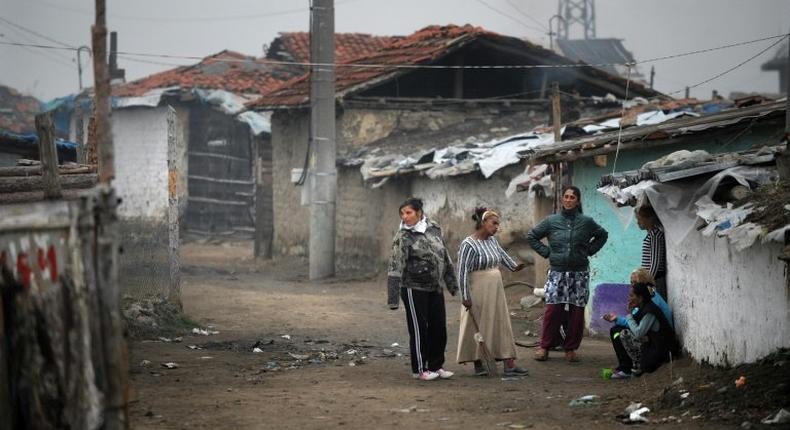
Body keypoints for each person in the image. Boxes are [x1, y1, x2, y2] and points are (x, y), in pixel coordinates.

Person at [526, 185, 608, 362]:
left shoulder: (586, 222)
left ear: (578, 201)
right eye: (566, 196)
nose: (569, 200)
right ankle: (545, 346)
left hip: (579, 273)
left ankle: (570, 348)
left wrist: (588, 251)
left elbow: (602, 235)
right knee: (553, 310)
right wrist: (547, 253)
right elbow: (532, 236)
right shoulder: (551, 221)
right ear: (562, 199)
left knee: (576, 312)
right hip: (557, 272)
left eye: (572, 197)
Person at [387, 197, 458, 381]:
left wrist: (452, 284)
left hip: (435, 287)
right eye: (402, 213)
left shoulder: (433, 228)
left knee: (439, 327)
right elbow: (395, 266)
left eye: (408, 212)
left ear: (419, 213)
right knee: (419, 329)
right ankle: (420, 369)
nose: (405, 216)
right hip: (413, 287)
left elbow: (445, 256)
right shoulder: (403, 237)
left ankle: (436, 365)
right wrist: (393, 298)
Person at [456, 207, 529, 377]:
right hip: (477, 289)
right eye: (494, 223)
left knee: (500, 323)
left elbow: (502, 256)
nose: (497, 227)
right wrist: (465, 296)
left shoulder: (492, 241)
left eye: (498, 224)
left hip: (495, 289)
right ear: (483, 222)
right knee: (477, 325)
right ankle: (478, 363)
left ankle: (508, 364)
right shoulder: (468, 244)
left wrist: (515, 266)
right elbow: (461, 271)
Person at [603, 282, 680, 379]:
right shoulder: (643, 307)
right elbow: (633, 322)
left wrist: (628, 315)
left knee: (624, 334)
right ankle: (626, 367)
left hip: (662, 350)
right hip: (653, 345)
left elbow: (639, 333)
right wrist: (617, 319)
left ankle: (636, 366)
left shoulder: (650, 311)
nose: (629, 299)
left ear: (640, 297)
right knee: (616, 330)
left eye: (632, 296)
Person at [636, 205, 667, 301]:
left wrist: (648, 281)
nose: (638, 222)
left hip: (655, 279)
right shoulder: (651, 235)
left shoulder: (655, 236)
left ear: (650, 219)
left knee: (657, 305)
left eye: (640, 219)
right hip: (652, 279)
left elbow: (655, 262)